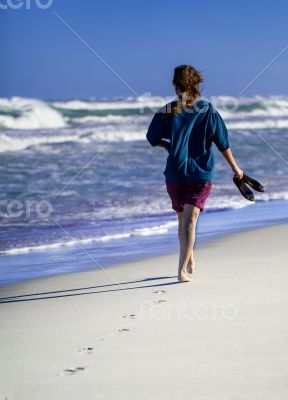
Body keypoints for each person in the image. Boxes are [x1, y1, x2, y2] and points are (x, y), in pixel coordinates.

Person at [146, 64, 243, 283]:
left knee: (185, 219)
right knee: (188, 220)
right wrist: (235, 169)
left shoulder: (167, 110)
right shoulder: (207, 110)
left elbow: (152, 138)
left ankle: (186, 258)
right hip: (200, 173)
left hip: (175, 172)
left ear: (175, 85)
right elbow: (222, 143)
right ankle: (182, 268)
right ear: (196, 83)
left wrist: (169, 147)